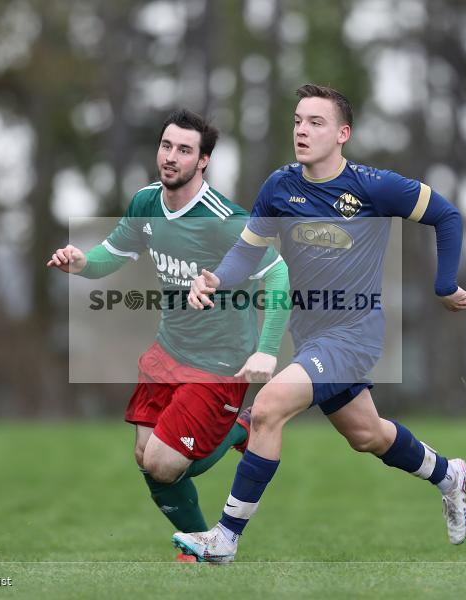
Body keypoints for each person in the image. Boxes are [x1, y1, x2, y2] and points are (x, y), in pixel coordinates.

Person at [173, 84, 466, 563]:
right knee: (368, 435)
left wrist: (444, 286)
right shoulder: (279, 187)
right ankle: (448, 475)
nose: (302, 129)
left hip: (355, 334)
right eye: (298, 120)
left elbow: (446, 215)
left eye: (316, 122)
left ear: (343, 133)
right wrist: (215, 278)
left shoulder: (373, 186)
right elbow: (246, 253)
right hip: (313, 336)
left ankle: (226, 538)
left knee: (270, 405)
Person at [47, 109, 290, 561]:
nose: (171, 157)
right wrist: (80, 262)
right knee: (146, 459)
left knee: (165, 463)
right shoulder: (145, 203)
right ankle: (201, 548)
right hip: (168, 350)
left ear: (203, 162)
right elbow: (112, 254)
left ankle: (243, 425)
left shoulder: (224, 220)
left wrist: (267, 351)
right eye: (166, 146)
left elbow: (278, 276)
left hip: (218, 364)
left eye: (184, 150)